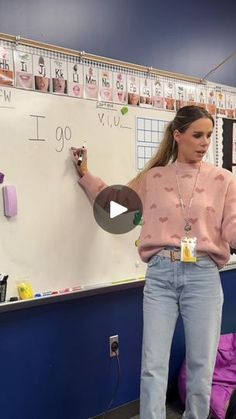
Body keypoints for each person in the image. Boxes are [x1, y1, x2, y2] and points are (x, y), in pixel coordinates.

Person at [71, 105, 236, 419]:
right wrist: (86, 175)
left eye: (209, 136)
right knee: (153, 365)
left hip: (203, 276)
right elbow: (117, 208)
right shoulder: (154, 177)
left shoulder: (223, 180)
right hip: (160, 273)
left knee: (203, 365)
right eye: (197, 135)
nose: (204, 142)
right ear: (178, 136)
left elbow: (232, 227)